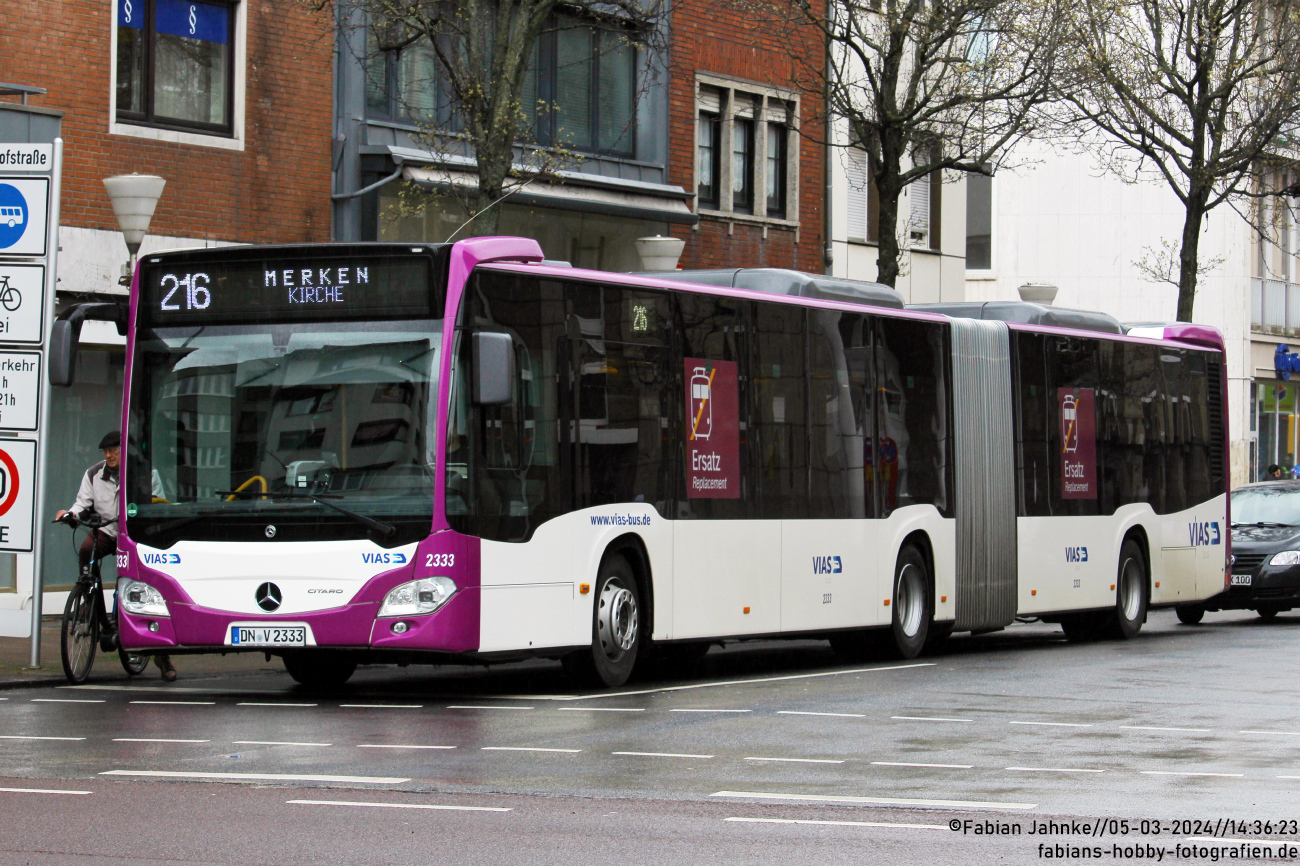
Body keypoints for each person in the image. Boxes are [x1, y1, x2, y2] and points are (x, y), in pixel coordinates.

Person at [56, 431, 177, 682]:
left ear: (126, 450)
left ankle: (162, 655)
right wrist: (70, 514)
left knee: (149, 586)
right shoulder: (93, 474)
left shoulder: (146, 474)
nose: (109, 455)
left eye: (114, 450)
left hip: (133, 536)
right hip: (107, 531)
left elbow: (157, 504)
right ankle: (91, 603)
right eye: (106, 451)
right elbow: (82, 504)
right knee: (86, 551)